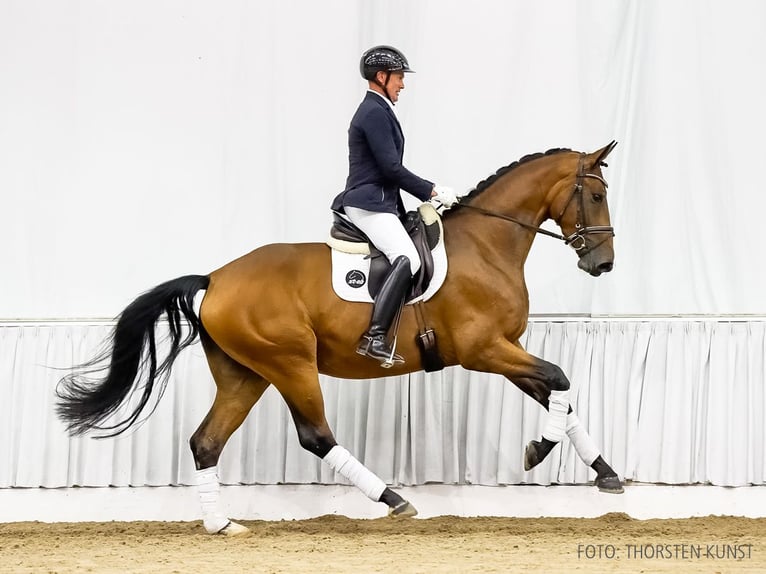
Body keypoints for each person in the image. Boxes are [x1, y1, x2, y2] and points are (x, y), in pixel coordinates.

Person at [331, 45, 458, 367]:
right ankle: (374, 336)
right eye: (399, 77)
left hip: (381, 202)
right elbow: (390, 169)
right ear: (382, 76)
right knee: (407, 258)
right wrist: (431, 190)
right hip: (368, 203)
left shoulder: (380, 109)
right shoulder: (373, 112)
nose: (403, 84)